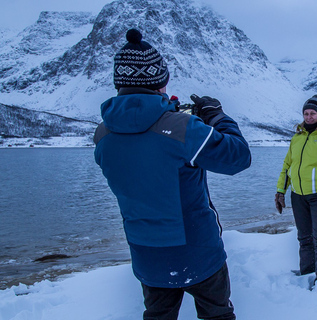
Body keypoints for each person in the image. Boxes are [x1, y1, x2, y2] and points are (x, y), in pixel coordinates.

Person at [93, 29, 251, 320]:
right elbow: (238, 157)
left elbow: (145, 159)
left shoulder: (102, 135)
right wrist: (216, 116)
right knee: (217, 315)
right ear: (160, 81)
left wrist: (169, 117)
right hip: (198, 251)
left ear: (119, 82)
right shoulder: (182, 129)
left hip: (147, 255)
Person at [275, 94, 317, 285]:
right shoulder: (297, 138)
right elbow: (287, 166)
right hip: (297, 196)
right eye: (306, 113)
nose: (308, 117)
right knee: (304, 237)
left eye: (313, 113)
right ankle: (307, 272)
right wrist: (280, 191)